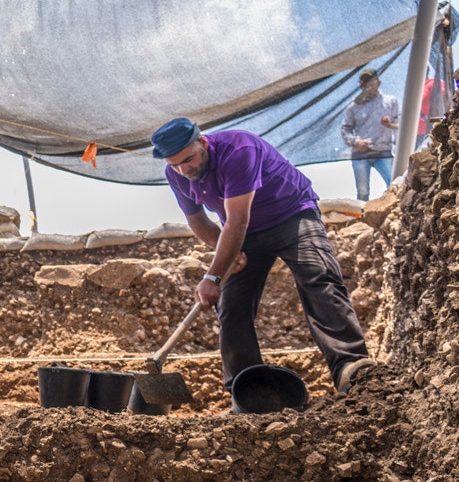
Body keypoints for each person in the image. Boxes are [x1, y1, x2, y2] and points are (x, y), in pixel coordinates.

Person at [151, 117, 375, 394]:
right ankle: (248, 390)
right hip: (243, 235)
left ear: (203, 143)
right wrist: (228, 256)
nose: (184, 169)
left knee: (318, 276)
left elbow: (236, 221)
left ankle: (352, 369)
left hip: (291, 215)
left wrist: (212, 276)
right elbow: (198, 222)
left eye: (188, 159)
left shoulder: (239, 149)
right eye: (175, 164)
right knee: (231, 305)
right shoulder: (176, 175)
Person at [340, 67, 399, 201]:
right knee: (363, 192)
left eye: (370, 84)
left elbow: (401, 124)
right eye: (364, 84)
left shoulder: (390, 102)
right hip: (361, 154)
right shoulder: (354, 106)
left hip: (383, 152)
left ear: (378, 83)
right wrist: (355, 142)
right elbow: (345, 129)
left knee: (394, 185)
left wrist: (390, 125)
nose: (367, 88)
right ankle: (363, 220)